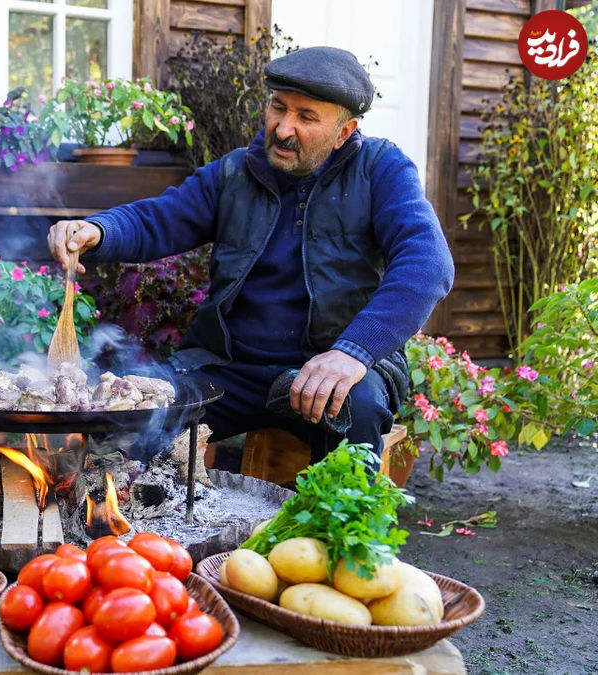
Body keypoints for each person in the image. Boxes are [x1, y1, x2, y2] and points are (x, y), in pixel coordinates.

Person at [47, 46, 454, 468]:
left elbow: (429, 266)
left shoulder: (382, 171)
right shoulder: (236, 172)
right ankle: (138, 525)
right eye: (278, 108)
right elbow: (160, 218)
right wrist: (99, 229)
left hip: (330, 367)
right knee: (134, 410)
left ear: (344, 132)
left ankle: (335, 532)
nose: (282, 129)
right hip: (228, 367)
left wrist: (354, 352)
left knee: (358, 409)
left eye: (306, 117)